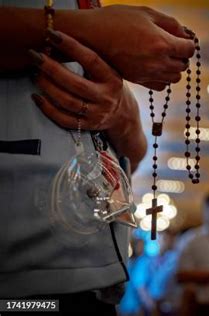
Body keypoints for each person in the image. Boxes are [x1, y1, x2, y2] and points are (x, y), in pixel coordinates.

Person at [0, 1, 194, 313]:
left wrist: (124, 117)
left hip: (97, 281)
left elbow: (133, 157)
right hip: (20, 282)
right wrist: (88, 31)